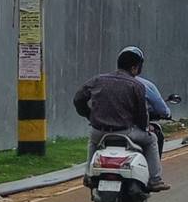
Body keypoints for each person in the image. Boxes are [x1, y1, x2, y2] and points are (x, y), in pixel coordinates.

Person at [74, 46, 152, 183]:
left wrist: (90, 115)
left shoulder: (97, 80)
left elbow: (78, 99)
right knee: (152, 141)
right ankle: (155, 178)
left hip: (99, 132)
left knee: (93, 143)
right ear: (134, 68)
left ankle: (88, 175)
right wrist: (145, 128)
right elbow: (142, 113)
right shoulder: (136, 85)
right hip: (126, 132)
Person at [128, 48, 173, 192]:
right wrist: (146, 125)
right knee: (152, 138)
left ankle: (88, 174)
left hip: (103, 130)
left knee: (93, 140)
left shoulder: (103, 80)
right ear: (137, 67)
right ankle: (154, 179)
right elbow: (160, 109)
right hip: (132, 130)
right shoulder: (143, 86)